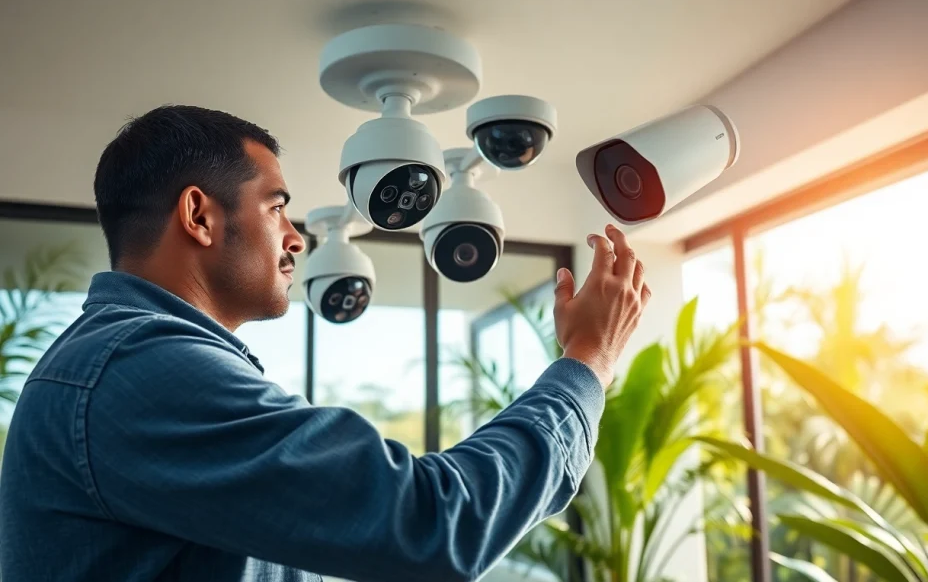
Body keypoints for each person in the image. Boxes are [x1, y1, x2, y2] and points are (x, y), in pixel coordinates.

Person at [0, 105, 651, 582]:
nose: (295, 237)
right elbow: (430, 523)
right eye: (276, 206)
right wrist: (587, 360)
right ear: (199, 215)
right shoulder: (138, 371)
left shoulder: (138, 369)